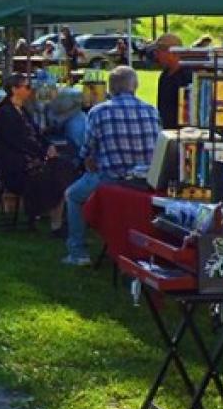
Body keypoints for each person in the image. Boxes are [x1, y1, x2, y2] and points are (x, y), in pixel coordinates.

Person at [63, 66, 162, 265]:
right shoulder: (152, 110)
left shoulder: (98, 112)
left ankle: (78, 252)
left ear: (110, 88)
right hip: (146, 180)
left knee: (72, 195)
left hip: (112, 179)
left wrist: (84, 159)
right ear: (135, 86)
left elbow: (87, 148)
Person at [0, 73, 71, 235]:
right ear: (14, 89)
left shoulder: (21, 109)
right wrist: (43, 154)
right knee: (59, 172)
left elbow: (37, 134)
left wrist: (49, 146)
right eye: (26, 86)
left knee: (65, 167)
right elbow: (19, 142)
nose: (30, 90)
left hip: (28, 161)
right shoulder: (5, 113)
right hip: (14, 169)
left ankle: (56, 220)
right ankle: (55, 222)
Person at [150, 33, 192, 130]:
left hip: (183, 133)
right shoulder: (164, 75)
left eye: (158, 51)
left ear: (171, 52)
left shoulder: (187, 76)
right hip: (167, 131)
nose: (156, 56)